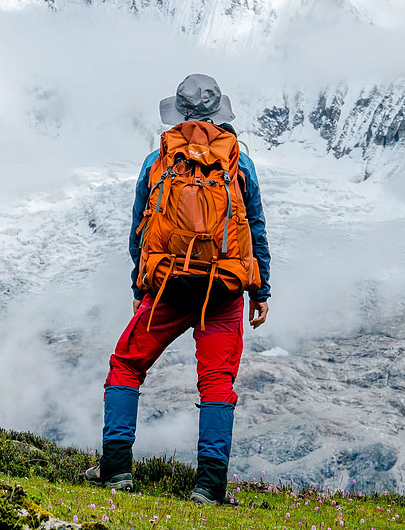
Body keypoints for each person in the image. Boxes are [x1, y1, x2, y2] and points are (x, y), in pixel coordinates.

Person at [83, 74, 272, 505]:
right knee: (217, 384)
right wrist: (260, 292)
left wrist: (139, 284)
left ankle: (115, 471)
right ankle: (209, 487)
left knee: (126, 366)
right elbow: (255, 229)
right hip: (223, 291)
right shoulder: (238, 163)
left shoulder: (158, 160)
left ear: (179, 115)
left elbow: (141, 229)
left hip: (166, 287)